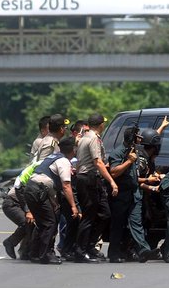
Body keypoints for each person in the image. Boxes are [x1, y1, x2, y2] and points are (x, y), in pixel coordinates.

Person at [24, 137, 79, 265]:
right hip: (38, 191)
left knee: (43, 223)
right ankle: (46, 254)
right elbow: (66, 186)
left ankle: (35, 253)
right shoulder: (64, 161)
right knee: (50, 223)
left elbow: (49, 183)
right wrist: (73, 206)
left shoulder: (52, 157)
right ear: (73, 150)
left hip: (32, 189)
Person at [107, 127, 159, 263]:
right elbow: (114, 172)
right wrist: (129, 161)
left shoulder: (136, 150)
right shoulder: (118, 152)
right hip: (122, 195)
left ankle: (143, 250)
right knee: (118, 225)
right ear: (132, 137)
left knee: (136, 223)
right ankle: (113, 253)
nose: (141, 139)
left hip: (134, 193)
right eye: (138, 136)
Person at [73, 113, 118, 263]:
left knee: (104, 214)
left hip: (92, 179)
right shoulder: (92, 138)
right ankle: (80, 251)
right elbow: (97, 162)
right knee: (88, 216)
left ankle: (90, 246)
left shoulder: (87, 137)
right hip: (88, 179)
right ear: (101, 125)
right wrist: (112, 181)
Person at [1, 161, 40, 260]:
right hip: (12, 203)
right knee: (27, 223)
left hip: (23, 204)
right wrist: (28, 211)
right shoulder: (36, 171)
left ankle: (25, 251)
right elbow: (19, 190)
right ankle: (10, 242)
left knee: (33, 225)